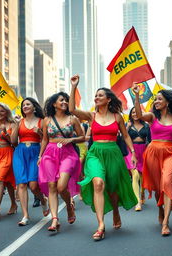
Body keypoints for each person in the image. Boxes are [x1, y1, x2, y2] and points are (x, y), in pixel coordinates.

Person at [69, 74, 137, 241]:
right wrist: (73, 87)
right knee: (98, 183)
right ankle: (100, 225)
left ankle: (115, 210)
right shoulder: (91, 116)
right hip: (95, 153)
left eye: (100, 95)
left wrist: (133, 153)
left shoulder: (117, 117)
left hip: (113, 153)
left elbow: (126, 136)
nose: (96, 97)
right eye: (96, 95)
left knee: (113, 190)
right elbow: (72, 110)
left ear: (108, 99)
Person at [132, 83, 172, 236]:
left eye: (159, 99)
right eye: (155, 99)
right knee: (156, 187)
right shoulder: (152, 117)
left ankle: (166, 222)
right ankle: (160, 209)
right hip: (153, 152)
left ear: (167, 101)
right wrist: (136, 95)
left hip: (171, 153)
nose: (156, 101)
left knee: (167, 183)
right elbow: (140, 115)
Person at [38, 92, 84, 232]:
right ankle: (54, 219)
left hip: (68, 153)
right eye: (61, 100)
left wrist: (72, 139)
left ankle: (69, 207)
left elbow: (83, 137)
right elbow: (45, 139)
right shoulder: (47, 120)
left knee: (61, 186)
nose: (64, 102)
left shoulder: (73, 119)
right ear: (54, 104)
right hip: (50, 153)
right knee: (52, 185)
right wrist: (40, 156)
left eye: (66, 100)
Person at [11, 98, 49, 226]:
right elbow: (14, 142)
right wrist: (15, 125)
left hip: (35, 152)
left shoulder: (42, 121)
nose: (25, 106)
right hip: (20, 153)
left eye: (28, 104)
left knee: (33, 185)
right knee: (21, 184)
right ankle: (25, 215)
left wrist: (39, 133)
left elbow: (45, 140)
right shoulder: (19, 122)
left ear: (34, 107)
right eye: (23, 105)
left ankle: (43, 199)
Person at [125, 107, 151, 211]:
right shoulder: (128, 125)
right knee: (135, 175)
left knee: (142, 176)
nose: (135, 114)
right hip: (131, 151)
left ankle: (142, 192)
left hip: (143, 150)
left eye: (137, 112)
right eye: (133, 112)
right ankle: (137, 201)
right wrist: (127, 128)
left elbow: (150, 140)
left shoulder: (146, 125)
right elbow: (123, 137)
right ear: (130, 114)